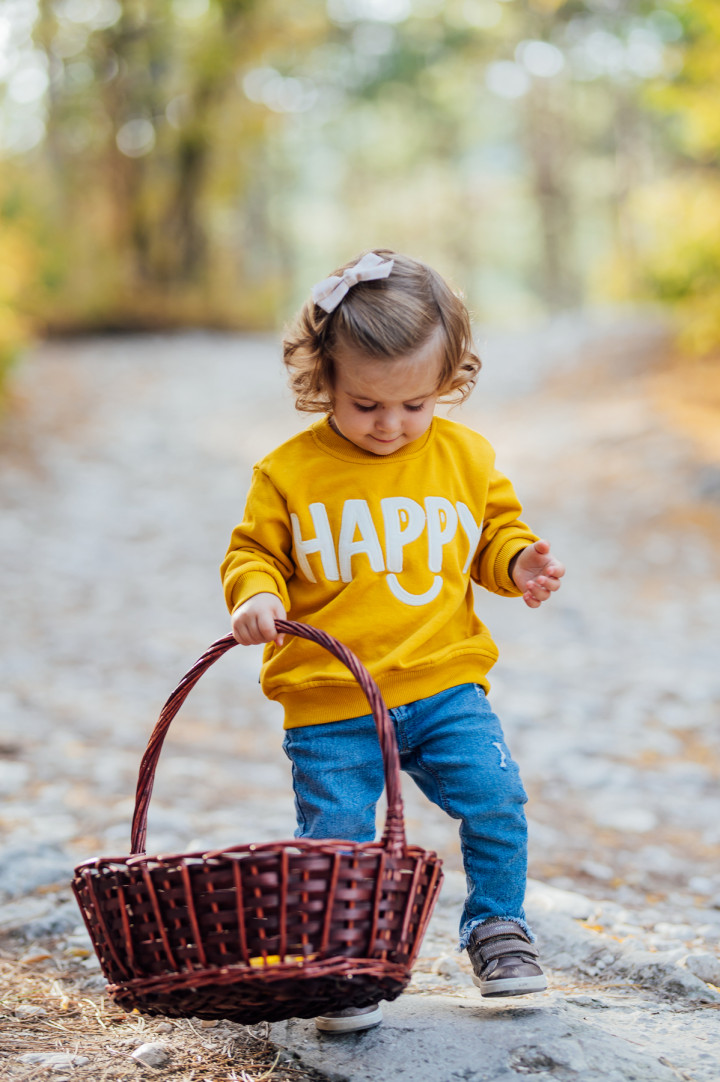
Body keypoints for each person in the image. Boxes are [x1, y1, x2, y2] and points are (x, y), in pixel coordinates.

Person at [221, 249, 565, 1033]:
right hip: (330, 700)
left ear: (447, 382)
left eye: (415, 404)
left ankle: (496, 928)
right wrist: (259, 595)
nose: (391, 425)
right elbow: (252, 553)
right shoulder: (289, 473)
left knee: (497, 799)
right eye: (366, 404)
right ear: (324, 381)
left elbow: (491, 535)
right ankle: (340, 964)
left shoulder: (465, 456)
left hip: (444, 686)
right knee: (338, 837)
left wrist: (518, 563)